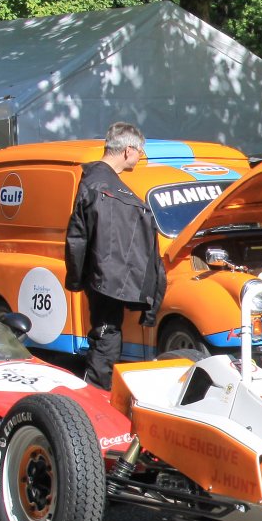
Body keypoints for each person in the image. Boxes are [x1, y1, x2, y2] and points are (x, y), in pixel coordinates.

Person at [64, 122, 164, 390]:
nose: (141, 156)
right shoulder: (111, 189)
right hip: (111, 280)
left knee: (105, 334)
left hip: (102, 277)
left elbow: (77, 237)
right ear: (128, 150)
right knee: (107, 336)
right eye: (140, 151)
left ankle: (98, 388)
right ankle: (97, 393)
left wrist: (77, 279)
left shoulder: (93, 182)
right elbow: (78, 237)